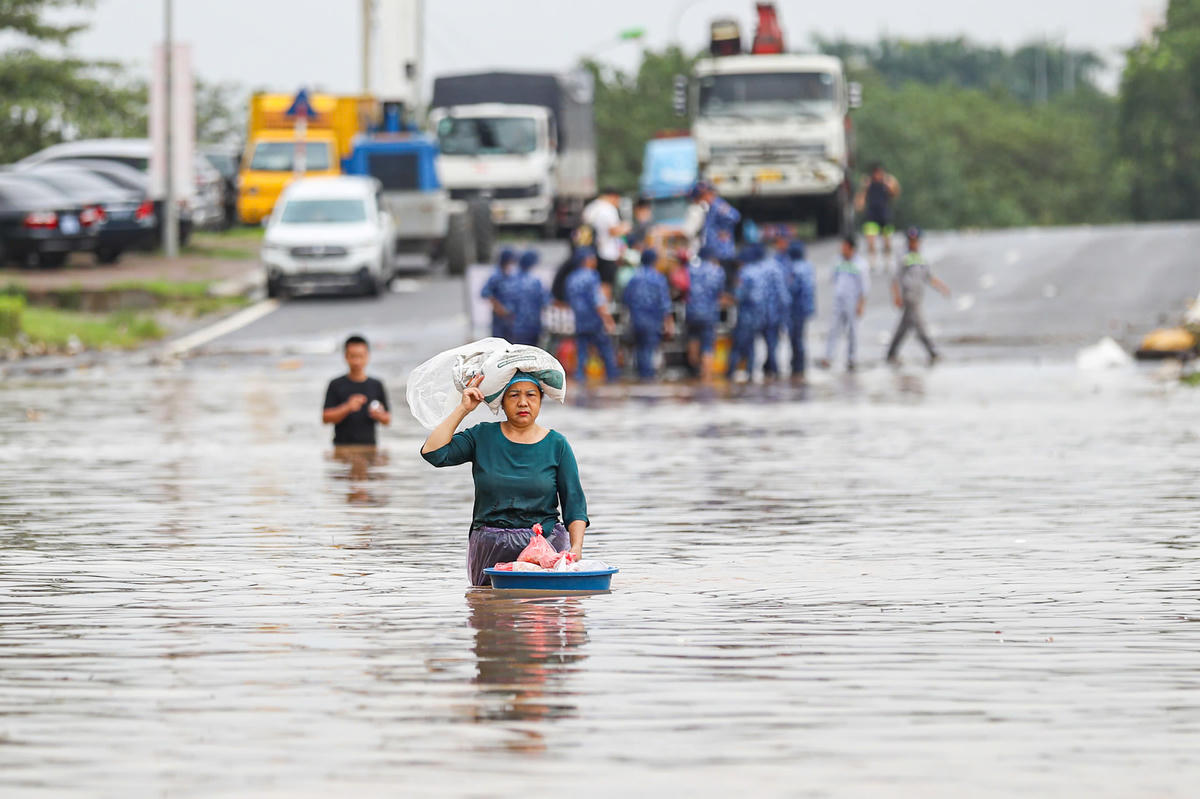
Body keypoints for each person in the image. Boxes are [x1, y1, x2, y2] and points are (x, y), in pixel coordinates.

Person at [421, 372, 589, 587]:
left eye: (531, 395)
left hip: (545, 544)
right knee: (488, 602)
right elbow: (434, 453)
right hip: (490, 545)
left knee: (543, 605)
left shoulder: (557, 444)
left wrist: (576, 548)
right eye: (514, 395)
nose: (523, 402)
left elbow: (574, 502)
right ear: (501, 401)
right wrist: (463, 409)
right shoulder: (482, 436)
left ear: (540, 400)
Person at [886, 227, 951, 365]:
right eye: (911, 241)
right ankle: (932, 352)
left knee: (904, 327)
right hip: (909, 297)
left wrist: (942, 287)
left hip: (918, 296)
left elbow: (928, 277)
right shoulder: (903, 257)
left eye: (916, 240)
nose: (914, 243)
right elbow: (895, 278)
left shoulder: (921, 257)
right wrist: (896, 296)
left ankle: (891, 353)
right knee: (920, 326)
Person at [322, 334, 392, 445]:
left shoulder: (376, 384)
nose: (357, 361)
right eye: (353, 356)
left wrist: (379, 415)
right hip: (341, 447)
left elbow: (387, 419)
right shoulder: (335, 384)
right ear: (346, 356)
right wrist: (347, 407)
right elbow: (325, 418)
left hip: (370, 447)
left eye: (360, 356)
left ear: (367, 356)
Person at [564, 247, 618, 382]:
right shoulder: (592, 276)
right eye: (592, 258)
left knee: (582, 350)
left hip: (579, 320)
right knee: (605, 348)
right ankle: (612, 376)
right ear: (586, 260)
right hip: (594, 320)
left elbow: (569, 299)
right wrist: (608, 319)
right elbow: (597, 300)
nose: (595, 261)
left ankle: (580, 376)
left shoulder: (571, 278)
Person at [818, 237, 870, 372]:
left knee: (853, 331)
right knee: (833, 329)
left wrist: (861, 303)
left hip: (853, 300)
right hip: (838, 300)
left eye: (845, 247)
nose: (842, 249)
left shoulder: (861, 264)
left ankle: (852, 358)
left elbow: (865, 286)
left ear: (852, 248)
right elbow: (833, 278)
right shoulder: (837, 261)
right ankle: (829, 356)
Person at [622, 248, 675, 380]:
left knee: (640, 348)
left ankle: (642, 376)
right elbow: (665, 303)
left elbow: (626, 299)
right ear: (654, 261)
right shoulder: (658, 278)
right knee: (649, 349)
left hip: (636, 320)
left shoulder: (634, 278)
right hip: (653, 320)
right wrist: (669, 323)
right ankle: (647, 378)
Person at [686, 245, 727, 382]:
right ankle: (706, 377)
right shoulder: (718, 271)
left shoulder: (691, 270)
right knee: (708, 346)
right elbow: (720, 293)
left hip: (692, 311)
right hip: (709, 313)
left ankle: (694, 373)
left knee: (693, 340)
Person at [694, 181, 741, 289]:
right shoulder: (709, 208)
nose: (701, 199)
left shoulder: (717, 204)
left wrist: (724, 230)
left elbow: (734, 216)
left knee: (725, 287)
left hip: (722, 253)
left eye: (702, 196)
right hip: (713, 255)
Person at [581, 188, 628, 292]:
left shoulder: (591, 207)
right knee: (606, 283)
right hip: (607, 253)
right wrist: (625, 228)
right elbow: (613, 231)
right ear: (614, 197)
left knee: (594, 282)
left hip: (590, 252)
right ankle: (604, 302)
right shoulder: (609, 209)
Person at [854, 163, 901, 266]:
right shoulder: (868, 184)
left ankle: (887, 260)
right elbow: (860, 199)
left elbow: (895, 193)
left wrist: (890, 183)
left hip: (884, 215)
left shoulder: (887, 183)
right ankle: (872, 261)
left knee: (887, 241)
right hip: (871, 215)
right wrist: (863, 189)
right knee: (871, 241)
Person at [786, 240, 816, 380]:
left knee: (795, 339)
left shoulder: (794, 268)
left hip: (796, 309)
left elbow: (793, 289)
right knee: (800, 338)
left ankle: (798, 367)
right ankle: (800, 366)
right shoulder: (808, 266)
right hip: (806, 308)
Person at [509, 250, 550, 347]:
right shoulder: (535, 281)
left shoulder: (511, 280)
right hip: (533, 325)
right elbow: (545, 301)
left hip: (515, 326)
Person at [481, 248, 519, 339]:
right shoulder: (496, 276)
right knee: (499, 341)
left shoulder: (511, 275)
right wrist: (498, 307)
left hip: (511, 317)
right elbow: (485, 293)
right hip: (499, 318)